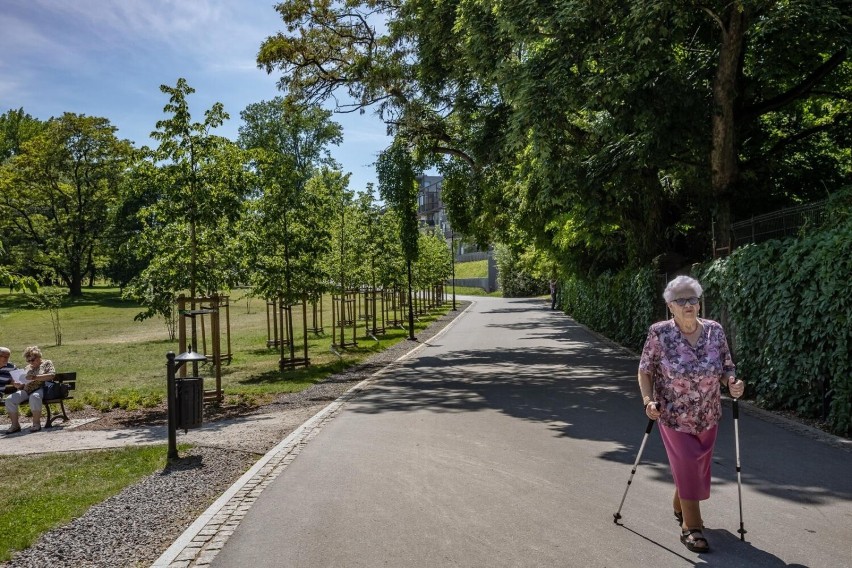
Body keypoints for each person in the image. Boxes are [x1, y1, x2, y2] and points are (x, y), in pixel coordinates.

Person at [637, 275, 745, 553]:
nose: (688, 305)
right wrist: (648, 400)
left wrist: (732, 382)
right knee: (686, 463)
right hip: (673, 415)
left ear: (699, 303)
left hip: (708, 415)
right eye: (681, 301)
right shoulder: (659, 333)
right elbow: (645, 370)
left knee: (695, 468)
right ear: (670, 306)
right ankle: (692, 527)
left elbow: (726, 368)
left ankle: (679, 504)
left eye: (693, 299)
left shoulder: (715, 331)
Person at [4, 346, 56, 434]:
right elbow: (23, 382)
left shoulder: (47, 363)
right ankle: (15, 425)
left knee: (34, 397)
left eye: (32, 360)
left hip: (41, 388)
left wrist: (35, 377)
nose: (31, 362)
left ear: (39, 356)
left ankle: (36, 424)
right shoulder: (28, 367)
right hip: (26, 389)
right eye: (28, 361)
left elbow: (51, 375)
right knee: (10, 399)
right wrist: (18, 384)